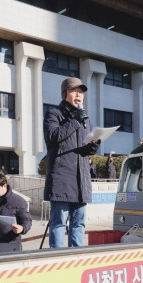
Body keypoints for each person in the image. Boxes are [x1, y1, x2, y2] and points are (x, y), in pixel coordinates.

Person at [43, 77, 100, 248]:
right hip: (62, 178)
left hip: (82, 178)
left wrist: (95, 144)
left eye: (81, 92)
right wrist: (75, 121)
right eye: (74, 91)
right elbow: (53, 137)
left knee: (79, 223)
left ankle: (77, 256)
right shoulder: (54, 114)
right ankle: (57, 259)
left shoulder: (86, 120)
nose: (79, 95)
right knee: (59, 223)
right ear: (64, 93)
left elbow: (86, 149)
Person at [0, 172, 32, 244]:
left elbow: (27, 220)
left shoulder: (19, 201)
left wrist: (22, 228)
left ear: (4, 186)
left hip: (11, 243)